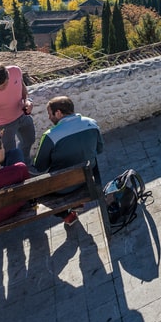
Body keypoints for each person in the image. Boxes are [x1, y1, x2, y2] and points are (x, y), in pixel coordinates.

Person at [35, 96, 104, 225]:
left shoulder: (50, 135)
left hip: (63, 187)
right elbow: (99, 149)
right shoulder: (92, 123)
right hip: (88, 178)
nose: (49, 118)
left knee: (36, 193)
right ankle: (77, 203)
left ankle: (66, 215)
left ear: (58, 113)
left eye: (50, 114)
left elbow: (40, 166)